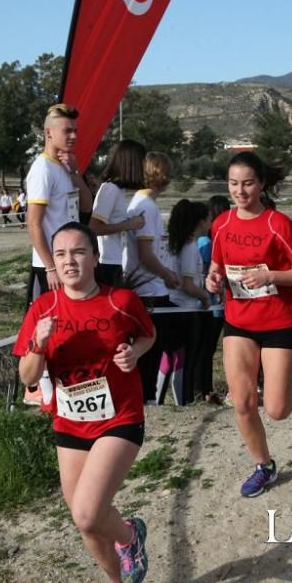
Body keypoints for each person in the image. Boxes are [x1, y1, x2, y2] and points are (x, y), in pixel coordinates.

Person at [13, 222, 156, 583]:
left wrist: (134, 352)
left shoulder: (120, 301)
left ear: (95, 257)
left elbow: (147, 334)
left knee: (87, 512)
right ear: (53, 263)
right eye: (60, 254)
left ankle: (130, 536)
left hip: (119, 417)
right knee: (86, 522)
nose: (69, 261)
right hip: (71, 422)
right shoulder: (43, 308)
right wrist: (38, 346)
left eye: (78, 252)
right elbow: (27, 375)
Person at [205, 151, 292, 498]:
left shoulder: (278, 224)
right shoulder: (221, 223)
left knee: (279, 410)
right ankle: (264, 465)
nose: (240, 190)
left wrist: (271, 275)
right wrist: (212, 278)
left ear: (262, 184)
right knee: (242, 401)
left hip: (281, 320)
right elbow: (216, 266)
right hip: (239, 321)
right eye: (234, 183)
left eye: (248, 183)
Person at [22, 103, 94, 405]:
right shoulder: (41, 169)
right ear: (48, 133)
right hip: (49, 267)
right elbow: (34, 223)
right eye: (67, 130)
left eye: (75, 130)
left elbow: (87, 207)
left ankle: (68, 393)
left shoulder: (62, 168)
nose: (74, 136)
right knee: (46, 330)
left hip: (70, 263)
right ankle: (42, 395)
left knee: (70, 326)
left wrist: (76, 174)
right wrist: (50, 267)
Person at [122, 152, 181, 403]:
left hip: (147, 287)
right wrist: (169, 275)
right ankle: (146, 398)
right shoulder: (147, 207)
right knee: (152, 350)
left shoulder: (139, 203)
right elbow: (146, 255)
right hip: (150, 290)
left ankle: (146, 396)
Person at [165, 199, 212, 405]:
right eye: (209, 218)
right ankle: (183, 400)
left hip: (176, 306)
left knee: (173, 357)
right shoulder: (190, 247)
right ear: (200, 222)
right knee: (185, 359)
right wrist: (204, 296)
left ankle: (174, 398)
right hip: (185, 307)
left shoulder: (177, 243)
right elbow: (187, 283)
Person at [90, 140, 146, 287]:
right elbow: (94, 228)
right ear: (132, 163)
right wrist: (128, 224)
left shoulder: (118, 190)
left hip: (117, 261)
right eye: (142, 162)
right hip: (107, 263)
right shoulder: (110, 189)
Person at [194, 195, 231, 404]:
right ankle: (203, 390)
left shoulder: (208, 240)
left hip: (213, 303)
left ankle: (206, 389)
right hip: (209, 304)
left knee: (208, 350)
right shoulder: (207, 242)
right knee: (205, 349)